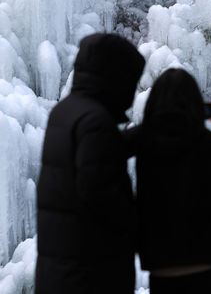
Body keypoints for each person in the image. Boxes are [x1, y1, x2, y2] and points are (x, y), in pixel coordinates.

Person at [36, 33, 146, 294]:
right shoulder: (96, 121)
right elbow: (100, 192)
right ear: (116, 78)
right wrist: (142, 223)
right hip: (91, 274)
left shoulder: (68, 111)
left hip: (62, 271)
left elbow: (95, 157)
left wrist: (140, 135)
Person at [131, 68, 211, 294]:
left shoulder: (144, 141)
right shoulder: (207, 143)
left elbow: (109, 146)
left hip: (162, 267)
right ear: (195, 104)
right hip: (206, 264)